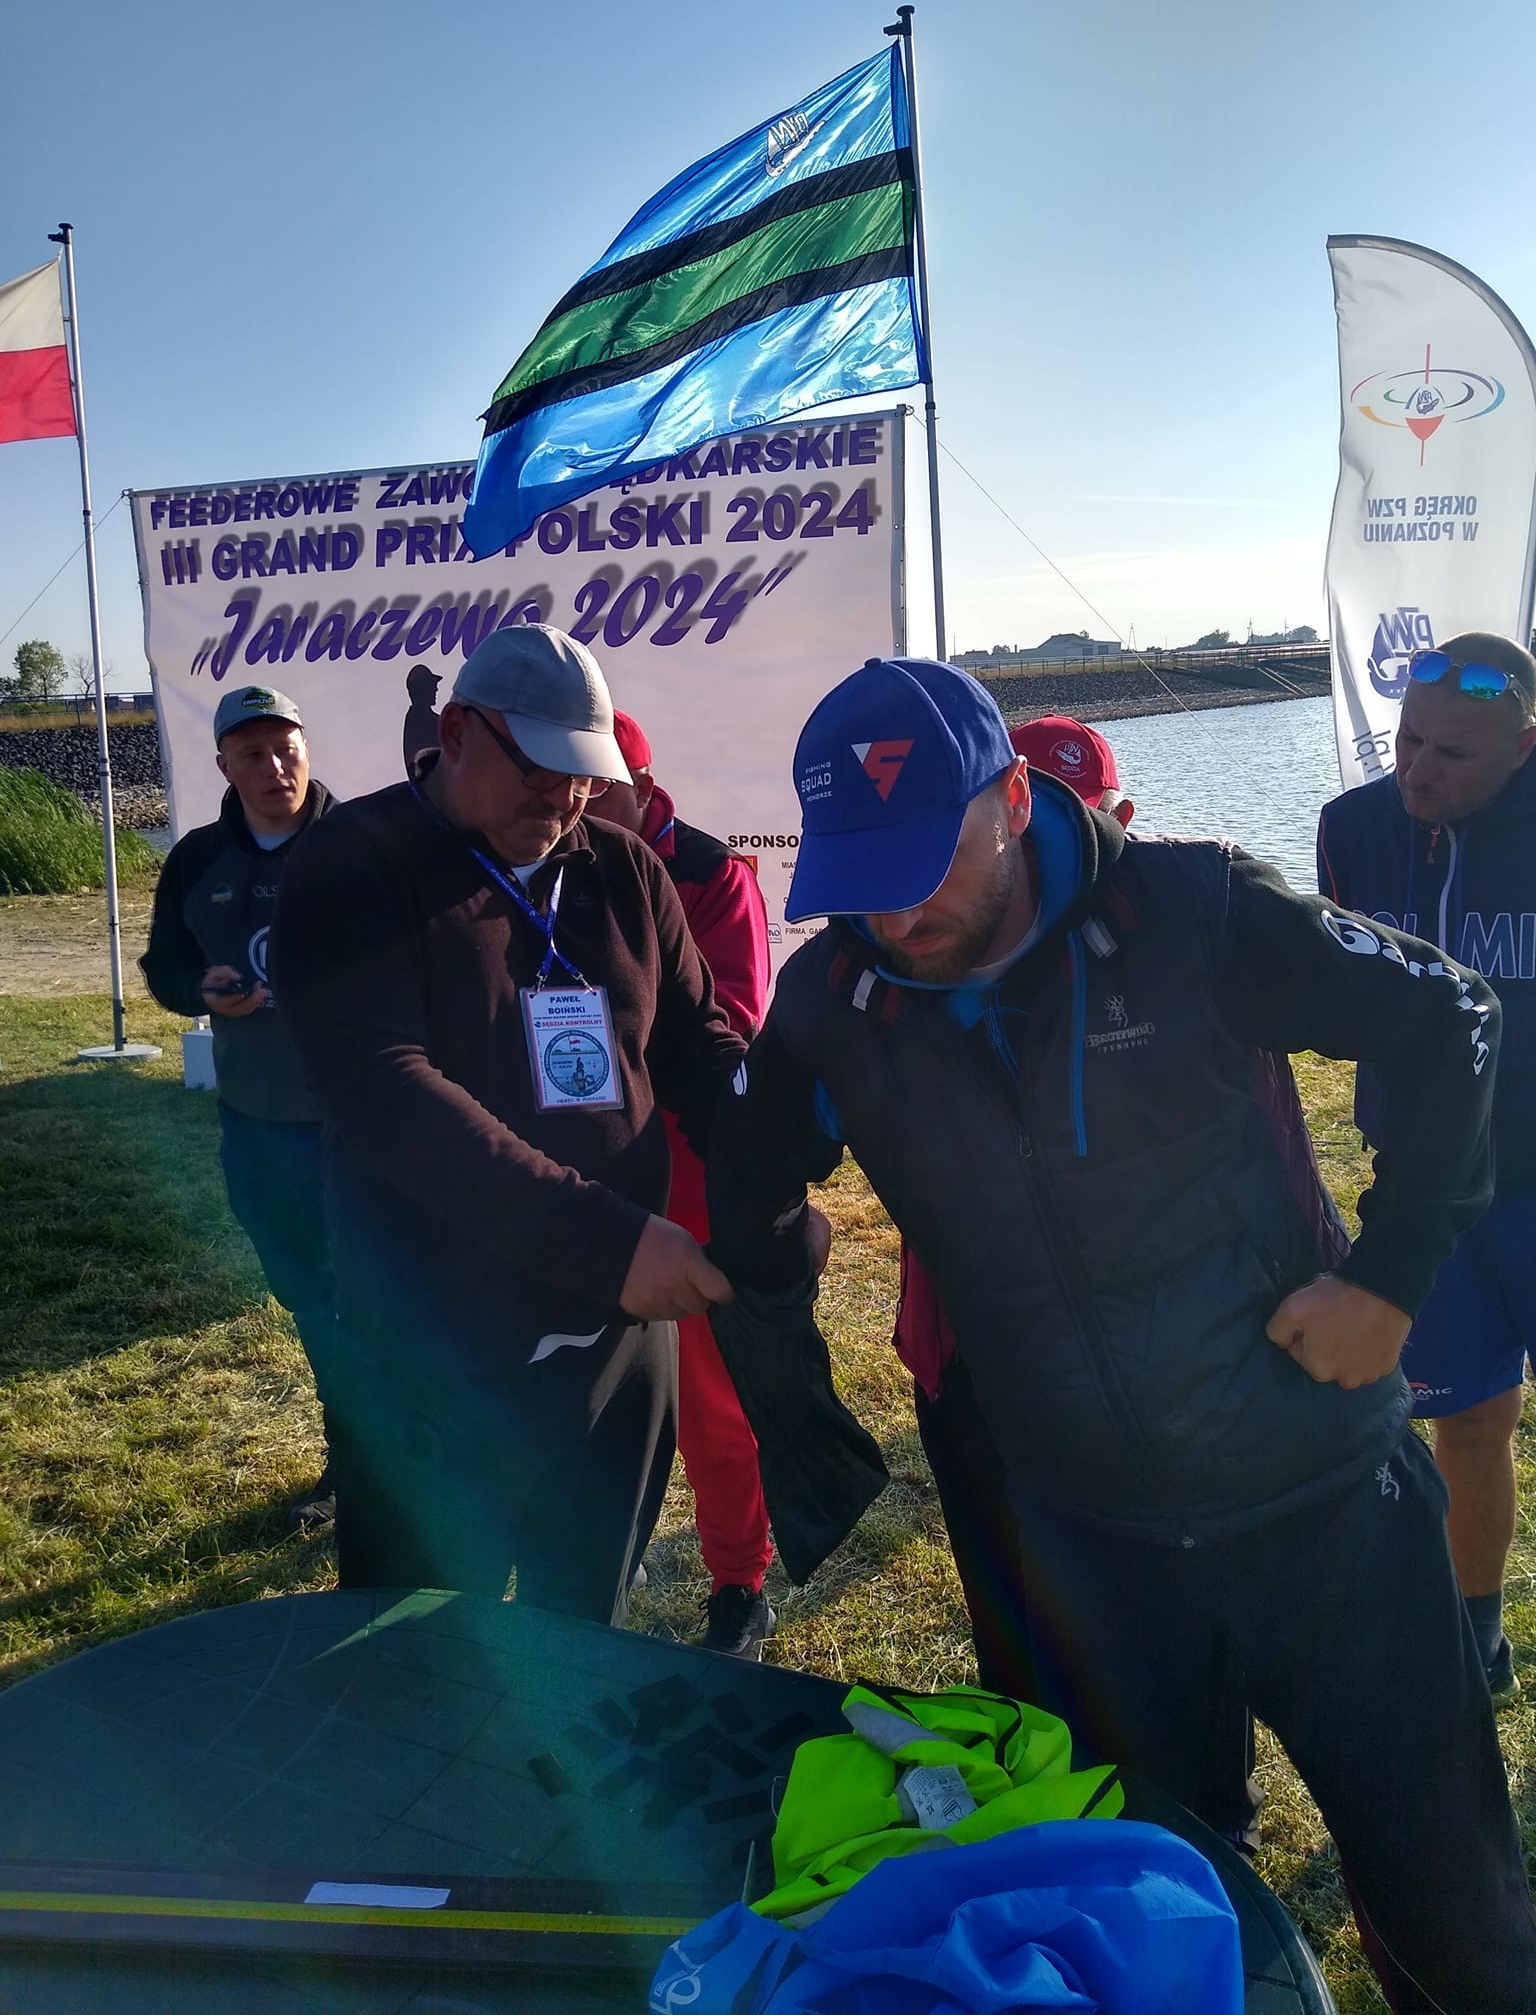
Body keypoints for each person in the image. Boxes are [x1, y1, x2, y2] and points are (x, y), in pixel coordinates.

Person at [707, 656, 1536, 2014]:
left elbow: (1455, 1015)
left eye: (924, 863)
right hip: (1092, 1545)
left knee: (1456, 1917)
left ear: (1010, 799)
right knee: (1143, 1910)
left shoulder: (1194, 907)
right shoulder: (837, 1002)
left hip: (1325, 1502)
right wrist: (797, 1402)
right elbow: (744, 1182)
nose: (898, 914)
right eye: (861, 877)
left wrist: (1391, 1280)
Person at [268, 626, 746, 1624]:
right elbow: (388, 1093)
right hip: (436, 1350)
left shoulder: (622, 868)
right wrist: (608, 1242)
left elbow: (698, 1043)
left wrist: (770, 1175)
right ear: (455, 732)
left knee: (584, 1629)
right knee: (425, 1642)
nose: (565, 798)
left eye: (585, 774)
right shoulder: (352, 866)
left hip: (615, 1341)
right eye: (539, 767)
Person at [895, 715, 1134, 1701]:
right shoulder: (916, 955)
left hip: (1129, 1350)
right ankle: (1017, 1744)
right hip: (965, 1342)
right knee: (1004, 1603)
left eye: (1085, 813)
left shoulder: (1161, 945)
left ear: (1118, 818)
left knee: (1129, 1626)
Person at [1319, 630, 1536, 1702]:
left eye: (1454, 753)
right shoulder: (1352, 827)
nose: (1418, 770)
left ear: (1525, 744)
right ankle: (1474, 1639)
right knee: (1470, 1417)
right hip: (1426, 1197)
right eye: (1408, 740)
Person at [587, 710, 776, 1657]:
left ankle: (739, 1582)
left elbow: (730, 1021)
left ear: (645, 788)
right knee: (593, 1380)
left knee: (712, 1404)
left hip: (692, 1178)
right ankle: (604, 1552)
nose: (580, 808)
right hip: (592, 1174)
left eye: (601, 791)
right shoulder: (548, 868)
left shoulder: (711, 874)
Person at [139, 683, 339, 1529]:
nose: (275, 766)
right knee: (309, 1297)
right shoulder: (196, 860)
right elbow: (163, 969)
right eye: (253, 753)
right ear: (223, 765)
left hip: (362, 1126)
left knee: (380, 1295)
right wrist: (203, 991)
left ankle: (397, 1456)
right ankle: (352, 1454)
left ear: (307, 748)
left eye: (286, 747)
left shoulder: (359, 844)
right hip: (258, 1123)